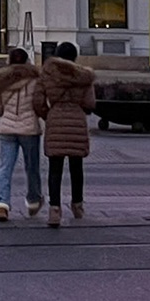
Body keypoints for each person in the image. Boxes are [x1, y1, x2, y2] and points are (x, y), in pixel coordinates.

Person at [33, 41, 95, 227]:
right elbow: (90, 103)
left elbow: (37, 101)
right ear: (75, 57)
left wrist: (48, 114)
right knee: (77, 168)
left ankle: (54, 211)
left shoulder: (47, 74)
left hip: (56, 120)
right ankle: (77, 205)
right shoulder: (84, 76)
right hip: (77, 121)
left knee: (54, 169)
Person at [0, 47, 43, 222]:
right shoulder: (36, 81)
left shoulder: (0, 81)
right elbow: (39, 106)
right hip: (29, 130)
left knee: (5, 168)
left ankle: (2, 204)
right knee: (32, 167)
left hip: (7, 129)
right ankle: (33, 201)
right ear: (27, 61)